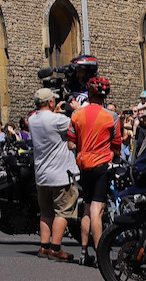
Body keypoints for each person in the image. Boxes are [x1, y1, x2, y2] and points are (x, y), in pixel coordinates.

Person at [69, 76, 121, 266]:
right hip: (101, 164)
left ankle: (84, 253)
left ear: (89, 94)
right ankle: (101, 255)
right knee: (97, 211)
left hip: (83, 164)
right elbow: (116, 146)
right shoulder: (112, 117)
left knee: (86, 208)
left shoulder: (76, 115)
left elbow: (70, 143)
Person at [29, 87, 79, 262]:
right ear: (50, 102)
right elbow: (77, 125)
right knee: (62, 212)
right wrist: (77, 110)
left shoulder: (32, 120)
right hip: (60, 174)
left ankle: (44, 246)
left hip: (42, 175)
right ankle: (56, 248)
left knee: (46, 212)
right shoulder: (58, 120)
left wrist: (56, 112)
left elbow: (46, 121)